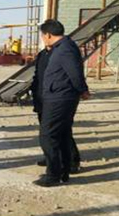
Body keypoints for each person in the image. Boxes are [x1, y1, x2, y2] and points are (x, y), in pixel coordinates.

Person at [35, 20, 90, 187]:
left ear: (48, 35)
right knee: (63, 135)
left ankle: (53, 174)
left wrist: (83, 90)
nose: (43, 38)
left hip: (60, 98)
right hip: (59, 96)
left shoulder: (65, 49)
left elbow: (75, 73)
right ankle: (64, 172)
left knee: (47, 136)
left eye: (43, 35)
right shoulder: (62, 47)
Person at [31, 44, 82, 173]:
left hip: (57, 98)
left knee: (63, 131)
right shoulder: (42, 54)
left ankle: (72, 161)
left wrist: (82, 90)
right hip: (42, 97)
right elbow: (38, 75)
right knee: (47, 132)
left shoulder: (62, 53)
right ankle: (50, 157)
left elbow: (74, 74)